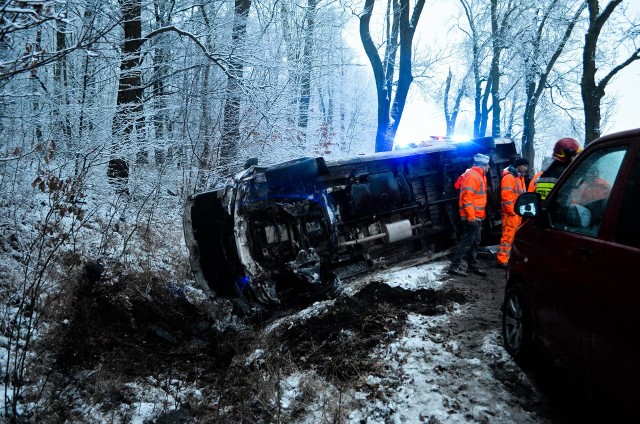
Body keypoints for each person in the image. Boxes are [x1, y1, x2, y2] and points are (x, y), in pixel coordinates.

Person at [448, 153, 490, 277]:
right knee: (467, 242)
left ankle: (473, 266)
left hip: (477, 216)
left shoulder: (478, 175)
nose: (489, 167)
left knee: (475, 241)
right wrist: (471, 216)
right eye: (487, 165)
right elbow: (467, 198)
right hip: (472, 217)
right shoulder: (472, 176)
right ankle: (454, 267)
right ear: (482, 165)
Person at [496, 157, 529, 269]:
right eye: (524, 165)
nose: (526, 168)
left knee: (512, 237)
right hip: (511, 214)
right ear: (518, 166)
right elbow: (506, 197)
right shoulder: (509, 178)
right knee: (507, 237)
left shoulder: (519, 178)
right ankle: (502, 260)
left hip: (517, 213)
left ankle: (507, 258)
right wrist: (512, 212)